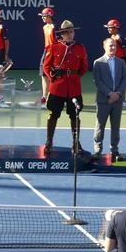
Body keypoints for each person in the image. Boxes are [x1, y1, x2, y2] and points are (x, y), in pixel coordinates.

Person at [42, 20, 88, 156]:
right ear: (61, 34)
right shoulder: (54, 47)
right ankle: (49, 142)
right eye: (66, 32)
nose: (69, 34)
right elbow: (46, 66)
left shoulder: (80, 48)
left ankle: (76, 142)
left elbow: (84, 67)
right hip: (58, 86)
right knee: (53, 114)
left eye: (71, 32)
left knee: (75, 114)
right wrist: (53, 79)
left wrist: (74, 77)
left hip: (73, 87)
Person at [92, 38, 126, 162]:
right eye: (110, 46)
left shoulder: (121, 62)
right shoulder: (98, 62)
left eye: (114, 46)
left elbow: (124, 79)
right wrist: (109, 94)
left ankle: (115, 150)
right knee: (100, 125)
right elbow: (98, 81)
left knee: (116, 126)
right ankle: (98, 150)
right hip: (103, 100)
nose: (113, 48)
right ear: (104, 47)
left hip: (117, 100)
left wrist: (116, 94)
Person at [38, 7, 56, 105]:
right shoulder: (45, 27)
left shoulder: (55, 27)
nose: (43, 18)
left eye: (44, 16)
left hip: (53, 53)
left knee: (51, 76)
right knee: (43, 75)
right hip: (46, 52)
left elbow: (58, 42)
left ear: (50, 16)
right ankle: (44, 97)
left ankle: (52, 96)